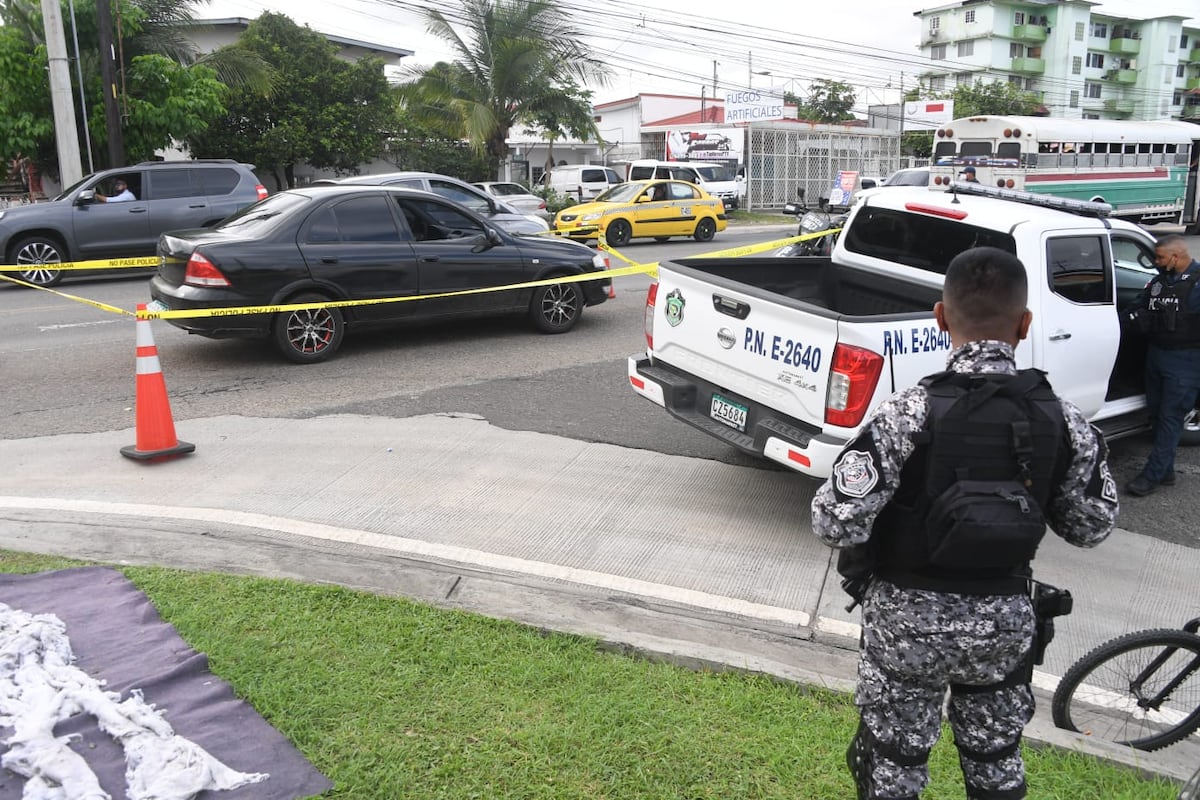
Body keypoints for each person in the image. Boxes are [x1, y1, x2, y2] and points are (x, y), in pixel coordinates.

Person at [811, 246, 1118, 800]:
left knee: (893, 768)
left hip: (907, 627)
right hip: (1003, 629)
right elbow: (1092, 526)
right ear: (1025, 324)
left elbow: (835, 522)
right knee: (995, 768)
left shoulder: (908, 411)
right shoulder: (1062, 419)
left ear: (940, 317)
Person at [1123, 234, 1200, 496]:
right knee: (1156, 415)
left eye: (1160, 257)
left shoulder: (1198, 282)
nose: (1156, 262)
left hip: (1185, 360)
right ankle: (1165, 471)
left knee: (1170, 418)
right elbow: (1134, 308)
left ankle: (1152, 475)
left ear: (1176, 257)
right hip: (1156, 356)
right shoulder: (1158, 283)